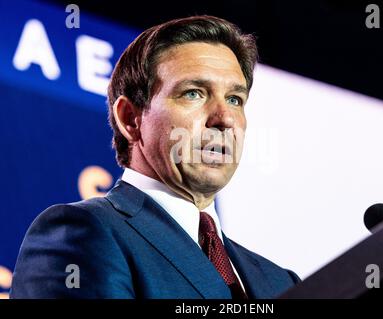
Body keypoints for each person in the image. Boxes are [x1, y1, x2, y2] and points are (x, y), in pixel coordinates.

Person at [10, 15, 300, 299]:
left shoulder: (281, 282)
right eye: (194, 93)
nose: (224, 118)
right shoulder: (80, 234)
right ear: (130, 119)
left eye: (235, 99)